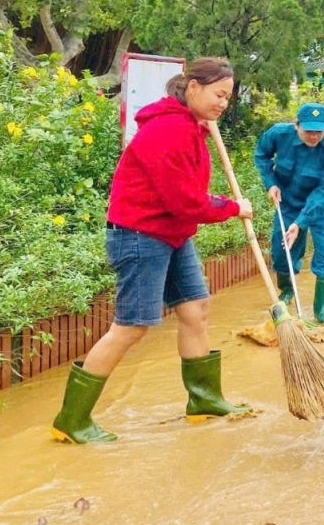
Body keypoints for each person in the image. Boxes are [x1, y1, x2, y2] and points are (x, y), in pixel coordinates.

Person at [51, 59, 254, 444]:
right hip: (141, 234)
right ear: (193, 87)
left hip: (172, 233)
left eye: (228, 96)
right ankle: (72, 419)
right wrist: (232, 207)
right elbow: (185, 202)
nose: (224, 103)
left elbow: (184, 201)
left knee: (196, 309)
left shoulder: (191, 127)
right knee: (131, 326)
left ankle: (204, 400)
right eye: (218, 94)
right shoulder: (169, 130)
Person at [256, 103, 324, 324]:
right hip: (287, 201)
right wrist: (270, 184)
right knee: (282, 247)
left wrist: (301, 222)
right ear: (296, 125)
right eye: (309, 130)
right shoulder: (278, 134)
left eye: (319, 131)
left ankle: (321, 308)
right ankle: (287, 291)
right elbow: (262, 155)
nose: (314, 136)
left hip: (318, 206)